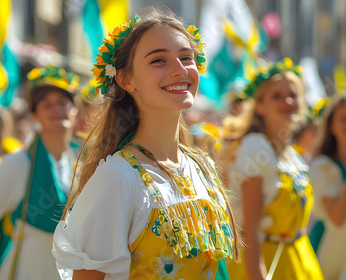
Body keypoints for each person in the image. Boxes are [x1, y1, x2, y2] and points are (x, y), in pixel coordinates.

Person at [52, 8, 240, 280]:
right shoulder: (117, 179)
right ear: (126, 80)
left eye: (186, 57)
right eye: (159, 61)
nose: (180, 69)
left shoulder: (203, 167)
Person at [0, 65, 80, 280]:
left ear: (74, 110)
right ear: (34, 115)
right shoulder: (17, 164)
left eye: (62, 103)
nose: (57, 110)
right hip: (28, 266)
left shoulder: (79, 162)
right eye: (47, 105)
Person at [224, 58, 323, 280]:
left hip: (299, 259)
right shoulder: (256, 148)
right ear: (259, 105)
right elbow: (250, 228)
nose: (287, 101)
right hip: (266, 263)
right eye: (276, 96)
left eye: (293, 94)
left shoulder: (292, 154)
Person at [309, 95, 346, 280]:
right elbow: (337, 220)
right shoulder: (323, 167)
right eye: (344, 119)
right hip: (326, 258)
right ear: (331, 126)